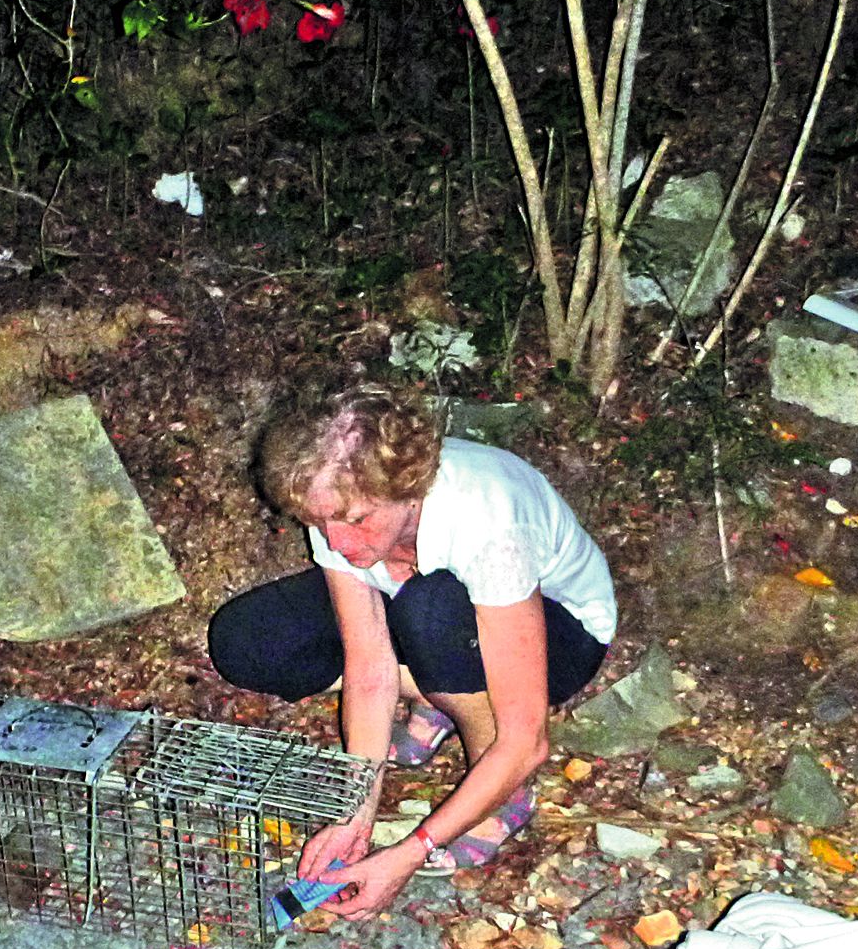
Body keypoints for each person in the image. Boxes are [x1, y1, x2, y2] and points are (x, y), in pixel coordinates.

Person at [208, 384, 615, 920]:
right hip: (430, 607)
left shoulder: (489, 526)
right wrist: (358, 811)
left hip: (562, 637)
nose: (339, 540)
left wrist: (409, 851)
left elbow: (528, 739)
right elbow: (370, 669)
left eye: (355, 520)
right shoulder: (338, 516)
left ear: (407, 486)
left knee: (430, 611)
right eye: (321, 521)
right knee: (247, 640)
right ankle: (441, 691)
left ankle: (504, 790)